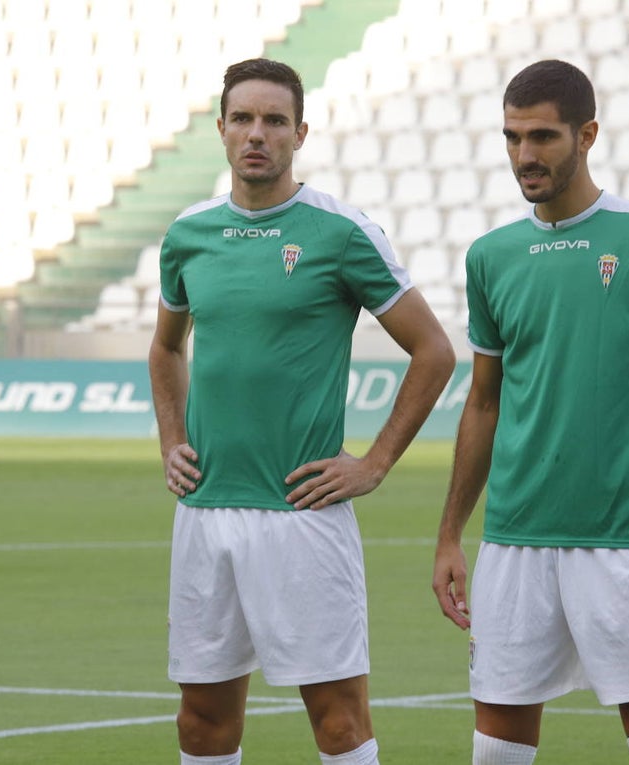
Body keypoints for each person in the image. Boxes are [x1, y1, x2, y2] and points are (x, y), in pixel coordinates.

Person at [149, 58, 456, 765]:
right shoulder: (188, 234)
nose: (258, 134)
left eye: (275, 121)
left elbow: (434, 351)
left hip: (302, 516)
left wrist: (373, 462)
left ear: (300, 133)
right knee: (201, 721)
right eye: (244, 119)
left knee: (340, 722)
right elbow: (166, 350)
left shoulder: (340, 232)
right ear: (220, 129)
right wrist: (172, 437)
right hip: (205, 511)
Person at [432, 59, 629, 765]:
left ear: (587, 134)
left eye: (542, 136)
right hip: (514, 537)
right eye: (512, 137)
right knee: (496, 754)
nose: (525, 156)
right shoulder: (491, 256)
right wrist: (451, 533)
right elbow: (483, 400)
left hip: (626, 536)